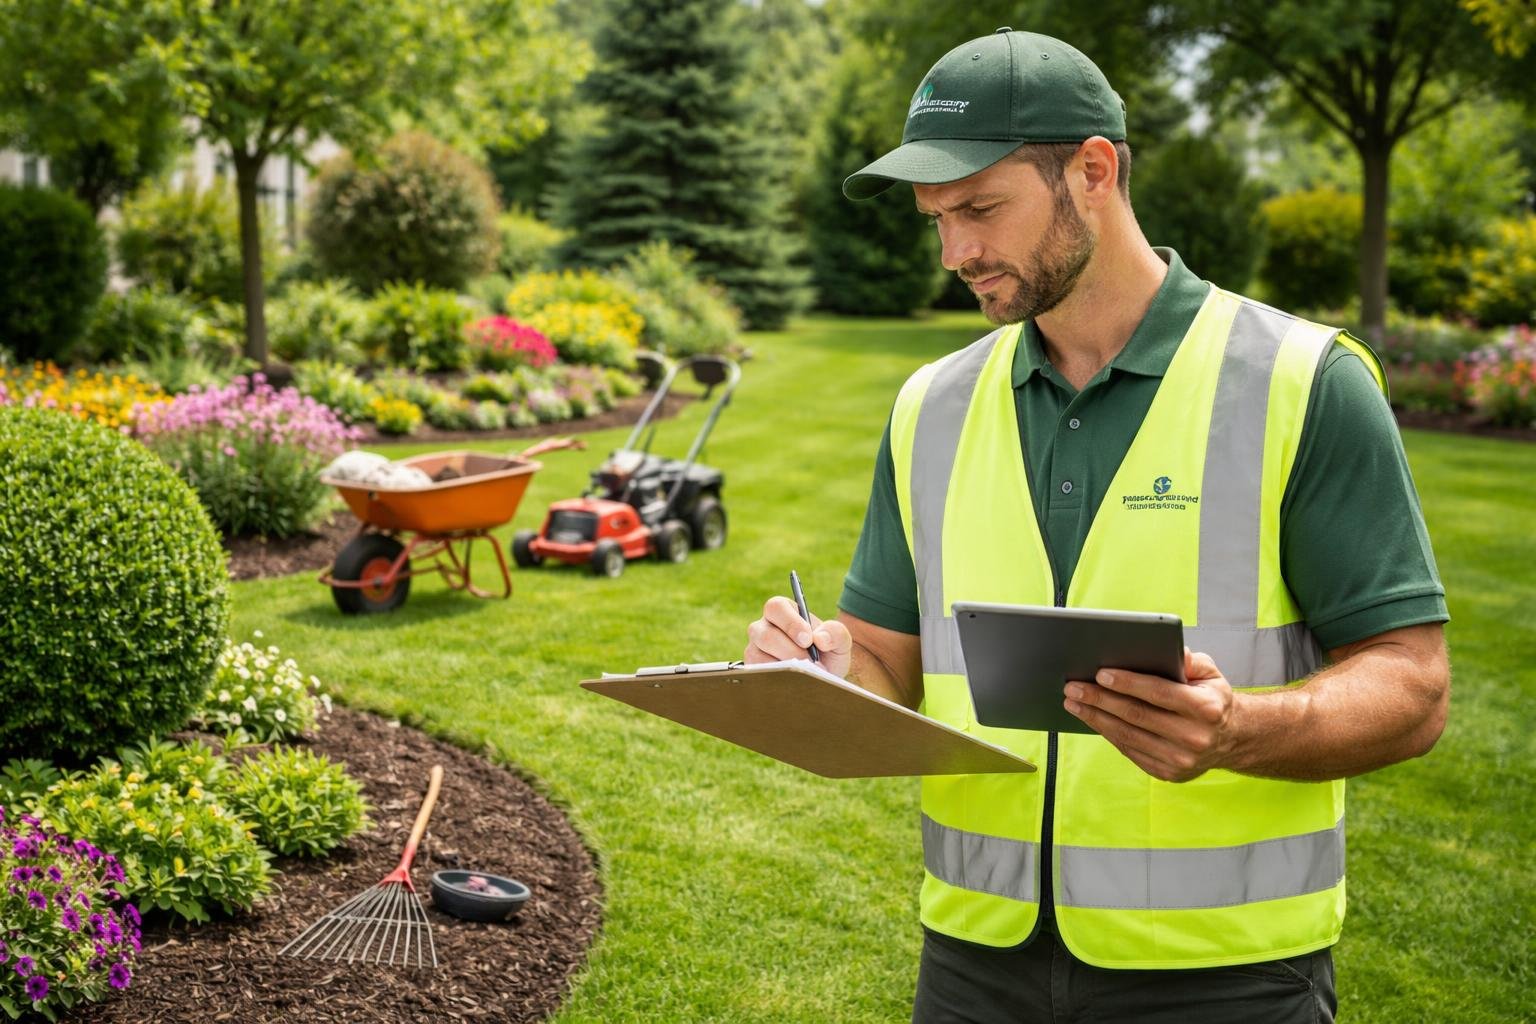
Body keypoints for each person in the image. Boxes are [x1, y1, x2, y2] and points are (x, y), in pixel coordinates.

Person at [744, 27, 1450, 1024]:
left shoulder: (1303, 384)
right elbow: (890, 668)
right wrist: (817, 671)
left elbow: (1414, 688)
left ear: (1094, 170)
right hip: (972, 964)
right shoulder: (929, 408)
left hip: (1226, 975)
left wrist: (1239, 728)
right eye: (935, 218)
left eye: (981, 208)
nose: (956, 253)